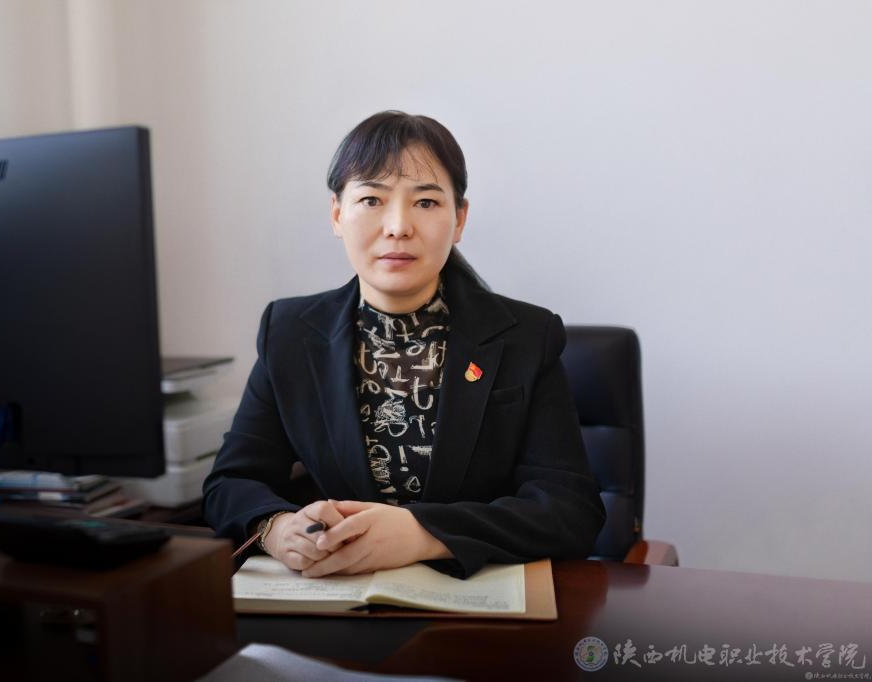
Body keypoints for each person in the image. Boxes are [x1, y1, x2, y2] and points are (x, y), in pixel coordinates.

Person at [202, 111, 605, 579]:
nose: (398, 226)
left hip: (472, 596)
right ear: (337, 214)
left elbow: (571, 510)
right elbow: (231, 482)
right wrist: (276, 527)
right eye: (371, 199)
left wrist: (423, 533)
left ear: (459, 219)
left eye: (426, 202)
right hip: (339, 595)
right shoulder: (289, 333)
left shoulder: (526, 337)